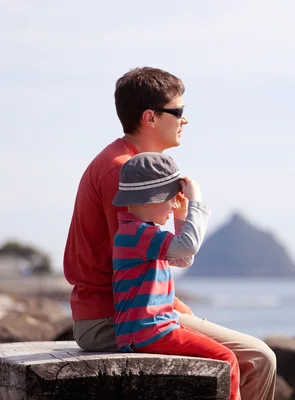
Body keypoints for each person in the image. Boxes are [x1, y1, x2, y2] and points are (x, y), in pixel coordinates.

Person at [63, 67, 276, 400]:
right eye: (178, 112)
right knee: (258, 359)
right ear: (150, 117)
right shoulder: (125, 171)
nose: (185, 120)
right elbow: (129, 263)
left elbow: (157, 255)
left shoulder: (131, 166)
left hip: (116, 312)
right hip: (116, 320)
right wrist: (175, 306)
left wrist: (175, 302)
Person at [112, 152, 240, 400]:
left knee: (219, 354)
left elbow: (183, 258)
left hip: (149, 330)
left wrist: (181, 217)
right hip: (150, 331)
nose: (173, 206)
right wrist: (196, 201)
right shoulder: (137, 234)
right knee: (227, 359)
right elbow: (188, 247)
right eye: (170, 199)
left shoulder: (139, 233)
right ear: (149, 200)